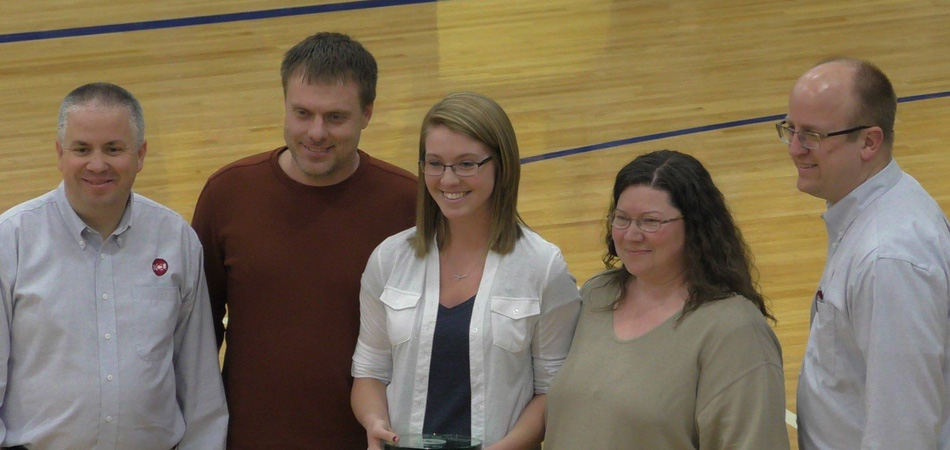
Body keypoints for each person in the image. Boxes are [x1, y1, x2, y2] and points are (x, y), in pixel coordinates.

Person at [191, 32, 416, 449]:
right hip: (247, 440)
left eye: (335, 117)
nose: (316, 132)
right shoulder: (228, 193)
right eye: (302, 113)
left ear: (367, 113)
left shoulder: (408, 204)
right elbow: (197, 334)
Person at [0, 82, 227, 449]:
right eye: (81, 149)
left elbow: (199, 383)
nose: (97, 164)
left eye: (113, 149)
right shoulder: (10, 240)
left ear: (140, 154)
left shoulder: (176, 239)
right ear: (60, 153)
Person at [351, 92, 581, 449]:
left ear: (501, 166)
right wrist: (374, 422)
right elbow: (370, 370)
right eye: (435, 163)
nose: (448, 179)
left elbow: (552, 390)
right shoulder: (389, 259)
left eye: (466, 164)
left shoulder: (543, 267)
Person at [544, 150, 789, 449]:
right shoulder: (598, 294)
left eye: (651, 222)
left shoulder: (734, 330)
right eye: (622, 219)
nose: (631, 235)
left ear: (695, 227)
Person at [784, 58, 950, 449]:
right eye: (790, 129)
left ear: (869, 142)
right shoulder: (879, 205)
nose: (794, 148)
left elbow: (904, 427)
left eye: (811, 135)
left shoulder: (888, 258)